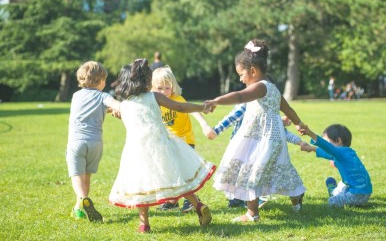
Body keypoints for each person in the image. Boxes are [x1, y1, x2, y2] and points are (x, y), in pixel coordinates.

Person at [205, 39, 307, 222]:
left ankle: (252, 213)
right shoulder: (273, 88)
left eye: (241, 74)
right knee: (278, 168)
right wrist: (298, 123)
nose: (240, 79)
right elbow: (288, 109)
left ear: (253, 70)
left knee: (251, 169)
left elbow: (239, 96)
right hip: (273, 137)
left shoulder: (259, 87)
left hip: (262, 138)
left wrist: (216, 101)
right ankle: (296, 196)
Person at [108, 59, 216, 233]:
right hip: (161, 144)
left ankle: (144, 224)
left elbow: (134, 119)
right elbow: (180, 106)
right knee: (177, 176)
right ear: (146, 82)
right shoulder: (154, 97)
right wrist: (202, 107)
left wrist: (118, 114)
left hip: (136, 150)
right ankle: (198, 205)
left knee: (141, 184)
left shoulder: (125, 105)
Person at [207, 104, 304, 209]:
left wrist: (216, 130)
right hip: (249, 146)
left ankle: (253, 199)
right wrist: (216, 130)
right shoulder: (252, 103)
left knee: (250, 173)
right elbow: (233, 117)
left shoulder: (256, 103)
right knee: (241, 173)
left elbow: (233, 117)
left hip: (251, 147)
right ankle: (240, 199)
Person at [151, 65, 214, 213]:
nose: (163, 92)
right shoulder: (155, 102)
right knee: (169, 171)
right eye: (159, 88)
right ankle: (172, 201)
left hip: (185, 141)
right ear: (153, 87)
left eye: (167, 88)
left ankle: (191, 201)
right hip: (168, 142)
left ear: (173, 86)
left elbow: (193, 111)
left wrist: (204, 125)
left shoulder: (178, 99)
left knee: (183, 172)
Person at [66, 61, 121, 222]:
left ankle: (83, 198)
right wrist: (119, 109)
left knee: (77, 175)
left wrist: (110, 110)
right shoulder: (104, 96)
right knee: (87, 176)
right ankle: (78, 208)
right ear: (101, 80)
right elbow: (115, 105)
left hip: (77, 141)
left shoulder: (76, 96)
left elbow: (88, 108)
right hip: (95, 142)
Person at [300, 124, 372, 207]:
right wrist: (312, 148)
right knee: (342, 187)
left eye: (327, 141)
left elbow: (326, 147)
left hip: (357, 194)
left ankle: (333, 192)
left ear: (338, 141)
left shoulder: (339, 152)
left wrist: (309, 133)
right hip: (363, 191)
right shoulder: (348, 152)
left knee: (332, 201)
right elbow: (327, 153)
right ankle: (335, 192)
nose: (327, 147)